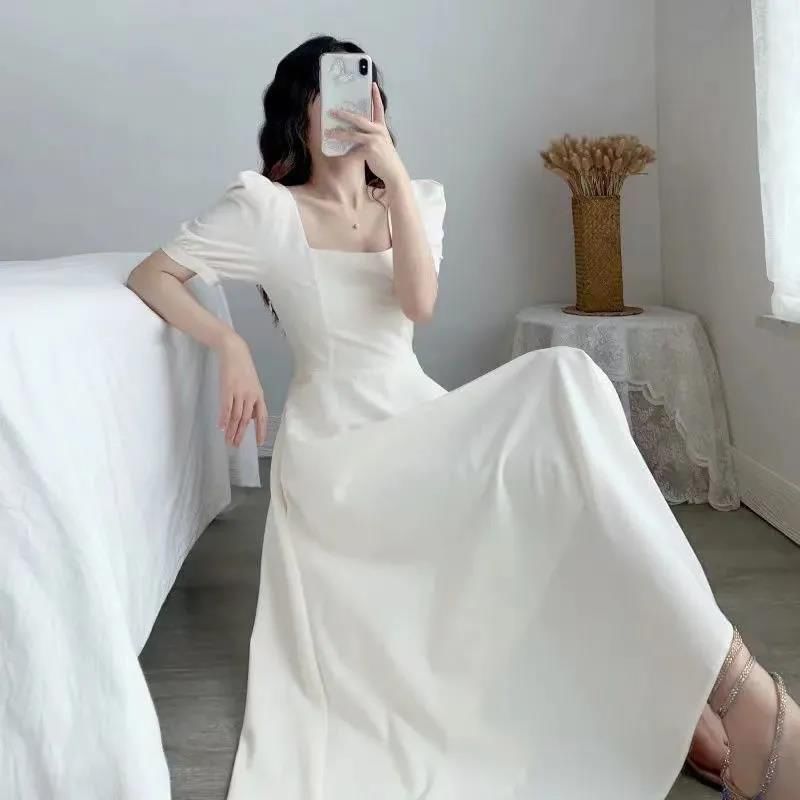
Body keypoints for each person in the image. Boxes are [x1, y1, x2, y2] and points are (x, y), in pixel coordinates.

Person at [127, 35, 799, 800]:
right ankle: (735, 697)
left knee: (571, 394)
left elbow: (418, 304)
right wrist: (227, 344)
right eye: (327, 92)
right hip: (338, 457)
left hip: (418, 419)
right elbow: (153, 274)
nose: (350, 107)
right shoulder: (266, 208)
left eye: (364, 90)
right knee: (563, 386)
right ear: (298, 114)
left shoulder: (417, 199)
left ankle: (697, 682)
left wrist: (393, 178)